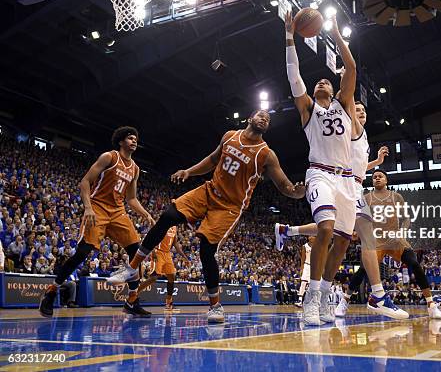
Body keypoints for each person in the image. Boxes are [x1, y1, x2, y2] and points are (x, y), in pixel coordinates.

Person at [108, 110, 305, 323]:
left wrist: (296, 192)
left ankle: (215, 306)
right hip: (209, 190)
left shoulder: (266, 154)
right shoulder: (230, 135)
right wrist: (189, 172)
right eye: (260, 115)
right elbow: (212, 160)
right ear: (250, 119)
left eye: (268, 118)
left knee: (206, 250)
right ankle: (132, 267)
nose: (264, 118)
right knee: (168, 215)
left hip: (230, 207)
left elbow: (284, 185)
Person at [276, 100, 409, 320]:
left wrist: (375, 161)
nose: (361, 112)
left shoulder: (363, 136)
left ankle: (288, 231)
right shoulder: (348, 127)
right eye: (356, 109)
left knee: (339, 237)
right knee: (361, 235)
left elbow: (358, 165)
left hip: (353, 184)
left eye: (363, 110)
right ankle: (377, 295)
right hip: (344, 183)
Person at [284, 11, 358, 325]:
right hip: (319, 173)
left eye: (328, 79)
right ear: (314, 92)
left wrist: (338, 36)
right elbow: (293, 74)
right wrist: (290, 36)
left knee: (342, 240)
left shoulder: (344, 104)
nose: (323, 81)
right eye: (319, 82)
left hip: (347, 181)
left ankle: (326, 294)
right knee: (325, 228)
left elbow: (351, 68)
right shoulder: (308, 109)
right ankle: (312, 298)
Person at [39, 126, 154, 318]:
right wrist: (88, 207)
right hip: (98, 208)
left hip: (118, 212)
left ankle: (132, 301)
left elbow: (131, 199)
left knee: (137, 253)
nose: (134, 141)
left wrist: (146, 213)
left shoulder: (135, 169)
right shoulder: (109, 157)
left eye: (136, 139)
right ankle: (52, 291)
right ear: (120, 141)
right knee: (82, 253)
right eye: (130, 138)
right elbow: (85, 182)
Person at [353, 169, 441, 319]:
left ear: (386, 180)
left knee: (414, 264)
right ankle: (344, 300)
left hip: (395, 239)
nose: (377, 178)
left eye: (380, 176)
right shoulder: (367, 198)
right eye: (374, 177)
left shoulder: (396, 197)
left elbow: (406, 219)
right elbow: (361, 218)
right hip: (377, 240)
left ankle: (431, 305)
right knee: (363, 270)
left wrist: (402, 231)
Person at [137, 226, 190, 311]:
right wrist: (153, 250)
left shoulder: (174, 228)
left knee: (171, 277)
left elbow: (175, 244)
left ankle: (169, 303)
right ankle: (133, 295)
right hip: (158, 252)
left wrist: (184, 256)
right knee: (154, 277)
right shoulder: (164, 223)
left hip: (167, 254)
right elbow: (152, 237)